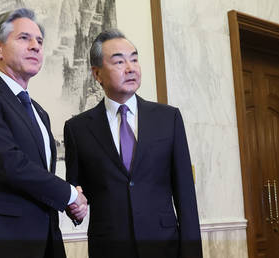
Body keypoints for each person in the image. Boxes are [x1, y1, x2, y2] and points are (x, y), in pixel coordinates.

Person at [0, 8, 87, 258]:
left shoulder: (40, 113)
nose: (35, 46)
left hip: (44, 242)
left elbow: (38, 179)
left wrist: (70, 204)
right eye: (24, 38)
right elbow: (7, 162)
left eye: (40, 41)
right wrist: (69, 195)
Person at [64, 29, 202, 258]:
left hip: (164, 247)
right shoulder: (77, 129)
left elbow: (185, 195)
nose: (131, 68)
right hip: (109, 248)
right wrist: (75, 210)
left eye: (134, 59)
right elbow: (75, 193)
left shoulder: (168, 119)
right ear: (97, 74)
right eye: (119, 61)